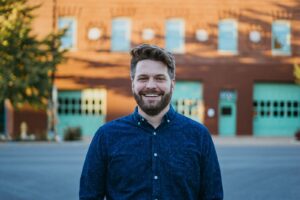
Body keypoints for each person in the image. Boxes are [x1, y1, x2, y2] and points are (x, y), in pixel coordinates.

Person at [80, 44, 223, 200]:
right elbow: (89, 196)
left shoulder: (199, 135)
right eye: (143, 78)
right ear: (133, 83)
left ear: (172, 84)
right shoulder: (106, 136)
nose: (151, 86)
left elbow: (213, 196)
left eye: (159, 78)